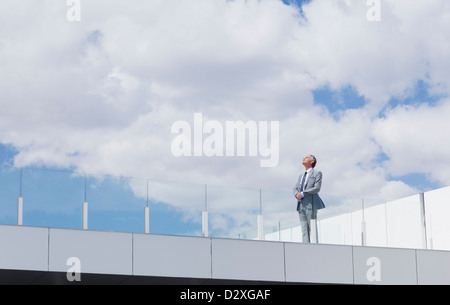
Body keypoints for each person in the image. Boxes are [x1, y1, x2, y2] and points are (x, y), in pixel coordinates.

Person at [293, 155, 325, 243]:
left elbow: (317, 188)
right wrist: (297, 195)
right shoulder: (301, 176)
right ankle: (305, 248)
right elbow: (295, 189)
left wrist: (303, 193)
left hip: (311, 204)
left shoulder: (317, 173)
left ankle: (315, 249)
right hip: (300, 206)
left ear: (312, 161)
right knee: (304, 231)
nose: (303, 158)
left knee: (312, 228)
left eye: (306, 157)